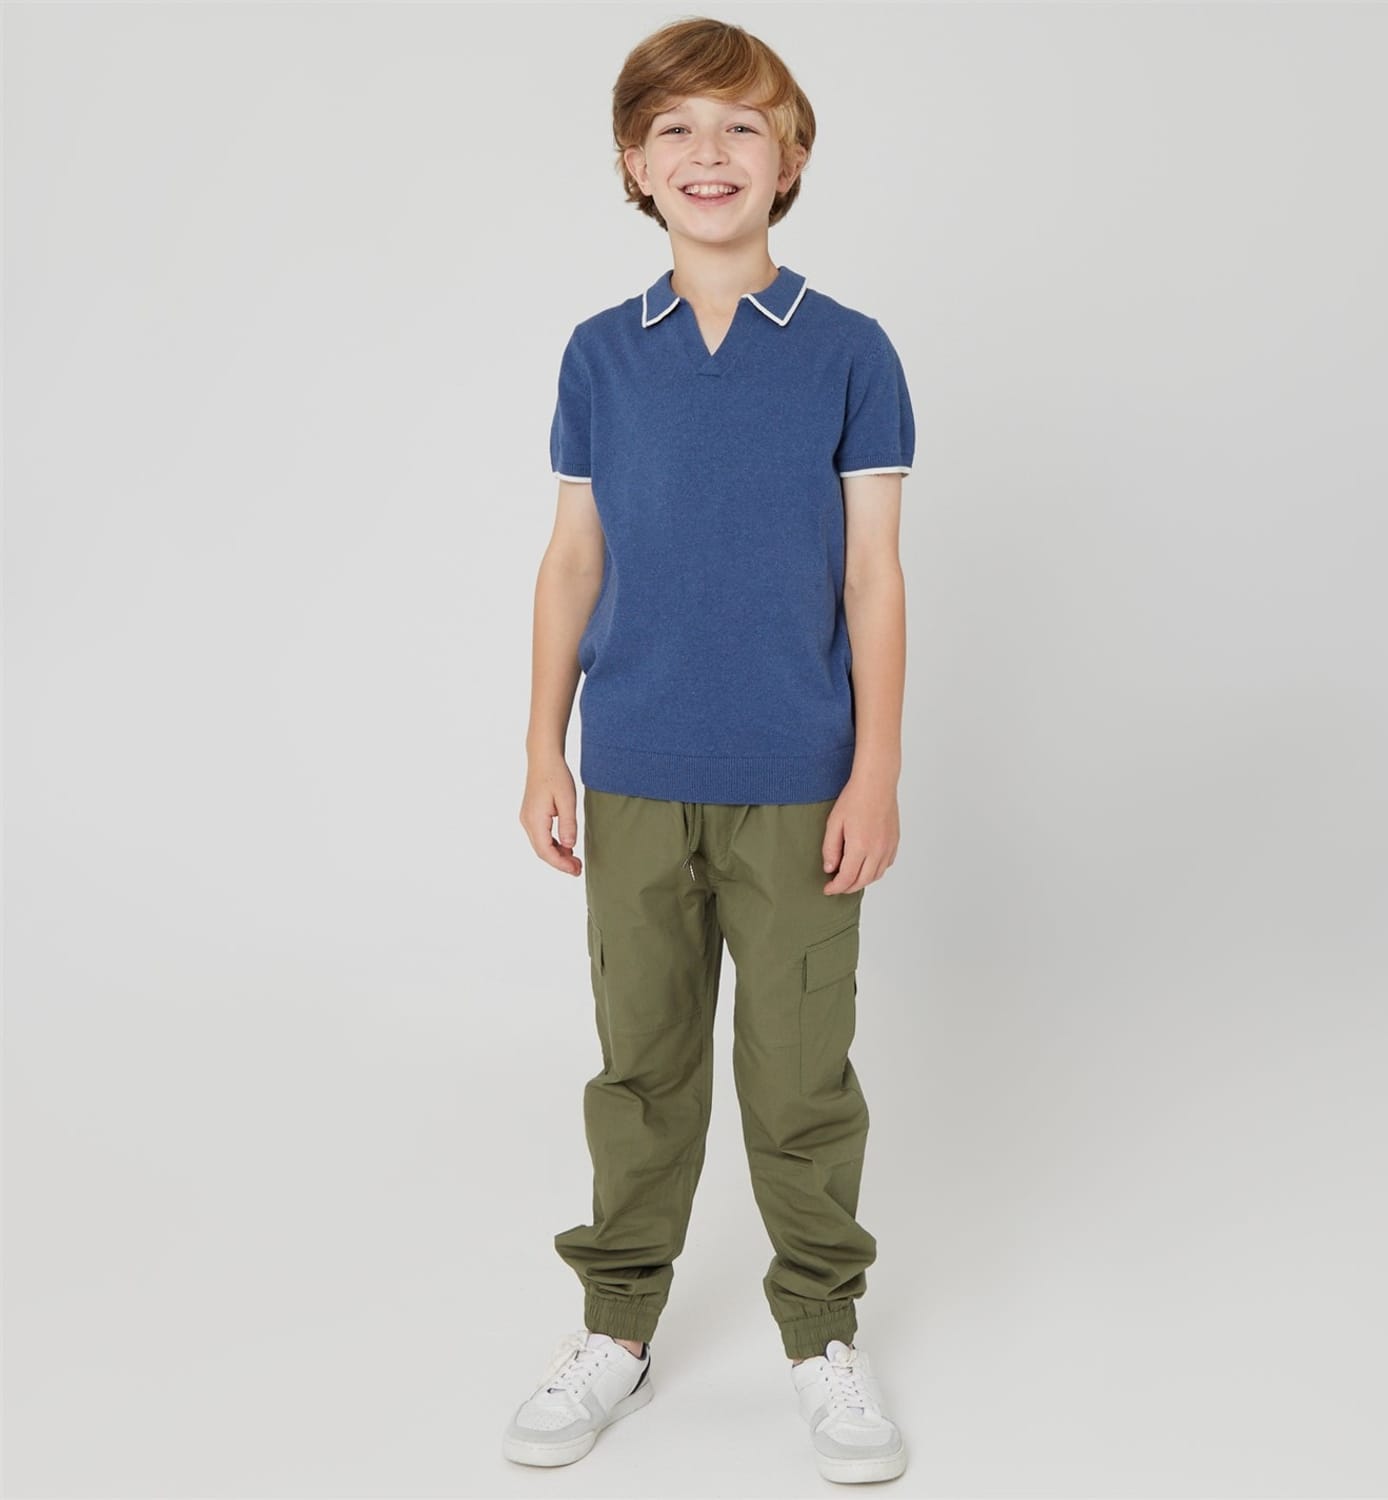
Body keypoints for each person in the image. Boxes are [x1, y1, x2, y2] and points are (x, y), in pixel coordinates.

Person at [504, 15, 915, 1486]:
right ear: (635, 164)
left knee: (800, 1077)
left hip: (799, 782)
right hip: (633, 770)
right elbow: (572, 561)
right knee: (643, 1066)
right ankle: (617, 1326)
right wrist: (543, 748)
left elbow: (873, 576)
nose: (709, 153)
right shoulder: (601, 356)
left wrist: (874, 770)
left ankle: (820, 1334)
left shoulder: (849, 352)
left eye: (742, 125)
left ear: (789, 157)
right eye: (674, 129)